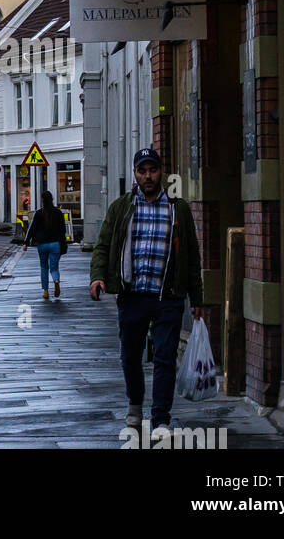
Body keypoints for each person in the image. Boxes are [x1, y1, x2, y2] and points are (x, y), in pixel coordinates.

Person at [89, 148, 205, 431]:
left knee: (165, 358)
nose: (148, 176)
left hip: (168, 297)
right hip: (133, 296)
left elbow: (192, 256)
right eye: (142, 171)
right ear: (135, 173)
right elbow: (103, 246)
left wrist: (197, 298)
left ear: (161, 171)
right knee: (130, 355)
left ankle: (161, 418)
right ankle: (135, 404)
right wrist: (97, 277)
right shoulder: (121, 207)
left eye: (152, 170)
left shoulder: (178, 209)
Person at [22, 189, 67, 300]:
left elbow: (31, 228)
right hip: (55, 244)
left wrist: (26, 242)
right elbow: (63, 230)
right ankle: (56, 280)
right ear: (52, 200)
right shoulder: (58, 212)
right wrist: (62, 242)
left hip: (42, 244)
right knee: (54, 267)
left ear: (42, 200)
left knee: (44, 267)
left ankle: (45, 291)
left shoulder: (38, 213)